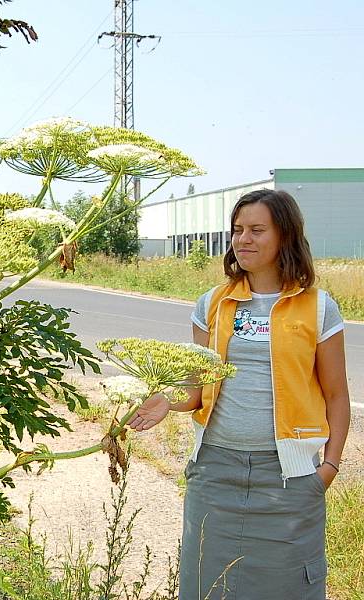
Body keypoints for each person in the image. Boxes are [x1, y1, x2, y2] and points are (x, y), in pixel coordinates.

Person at [128, 189, 350, 599]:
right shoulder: (212, 303)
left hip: (288, 478)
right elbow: (197, 391)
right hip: (215, 473)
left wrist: (329, 467)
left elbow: (337, 395)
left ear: (285, 235)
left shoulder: (318, 308)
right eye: (237, 230)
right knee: (207, 584)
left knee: (288, 586)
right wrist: (166, 399)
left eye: (256, 230)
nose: (242, 239)